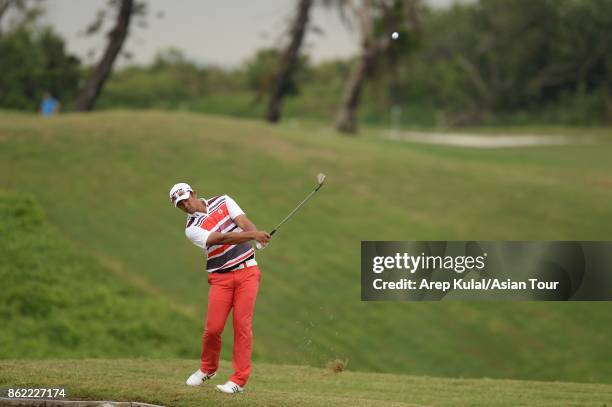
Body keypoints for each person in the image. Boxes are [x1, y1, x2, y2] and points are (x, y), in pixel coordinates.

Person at [169, 182, 270, 394]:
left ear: (194, 194)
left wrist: (256, 235)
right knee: (213, 329)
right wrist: (253, 236)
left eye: (186, 199)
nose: (185, 205)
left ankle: (238, 381)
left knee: (242, 327)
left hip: (247, 272)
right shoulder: (191, 229)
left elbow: (243, 222)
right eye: (180, 204)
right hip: (220, 279)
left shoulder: (224, 200)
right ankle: (208, 368)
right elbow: (222, 238)